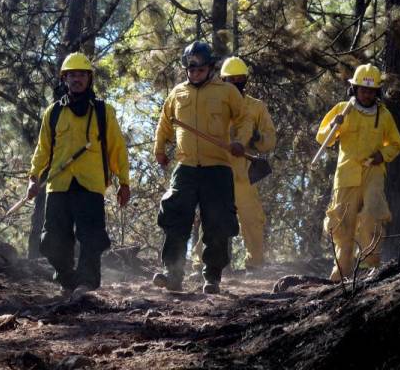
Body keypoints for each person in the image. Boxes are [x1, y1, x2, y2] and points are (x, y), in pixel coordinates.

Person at [27, 52, 131, 298]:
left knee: (91, 238)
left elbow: (117, 148)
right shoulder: (52, 113)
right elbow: (43, 150)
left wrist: (124, 182)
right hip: (58, 185)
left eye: (81, 74)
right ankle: (67, 279)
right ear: (64, 79)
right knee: (51, 240)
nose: (77, 79)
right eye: (71, 75)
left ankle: (86, 283)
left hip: (90, 185)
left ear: (89, 79)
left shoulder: (104, 112)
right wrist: (33, 178)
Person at [152, 41, 252, 294]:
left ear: (210, 67)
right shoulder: (177, 93)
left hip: (217, 168)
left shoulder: (227, 92)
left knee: (217, 223)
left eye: (199, 68)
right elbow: (165, 124)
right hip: (185, 167)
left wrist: (240, 141)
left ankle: (212, 277)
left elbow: (244, 119)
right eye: (190, 68)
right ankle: (172, 274)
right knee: (175, 219)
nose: (194, 73)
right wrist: (160, 150)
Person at [315, 63, 400, 282]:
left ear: (377, 92)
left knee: (373, 214)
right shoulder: (343, 109)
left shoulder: (383, 115)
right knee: (343, 223)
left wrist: (382, 155)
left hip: (373, 171)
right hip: (346, 173)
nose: (366, 94)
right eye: (363, 89)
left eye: (371, 90)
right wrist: (333, 126)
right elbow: (322, 139)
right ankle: (341, 274)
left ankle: (368, 268)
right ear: (354, 89)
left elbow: (396, 143)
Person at [190, 56, 276, 275]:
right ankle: (201, 264)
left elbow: (269, 140)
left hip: (243, 174)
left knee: (252, 219)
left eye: (240, 79)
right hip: (216, 169)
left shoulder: (256, 107)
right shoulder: (213, 103)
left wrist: (256, 138)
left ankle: (255, 265)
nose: (236, 83)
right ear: (223, 80)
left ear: (245, 80)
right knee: (212, 218)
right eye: (231, 79)